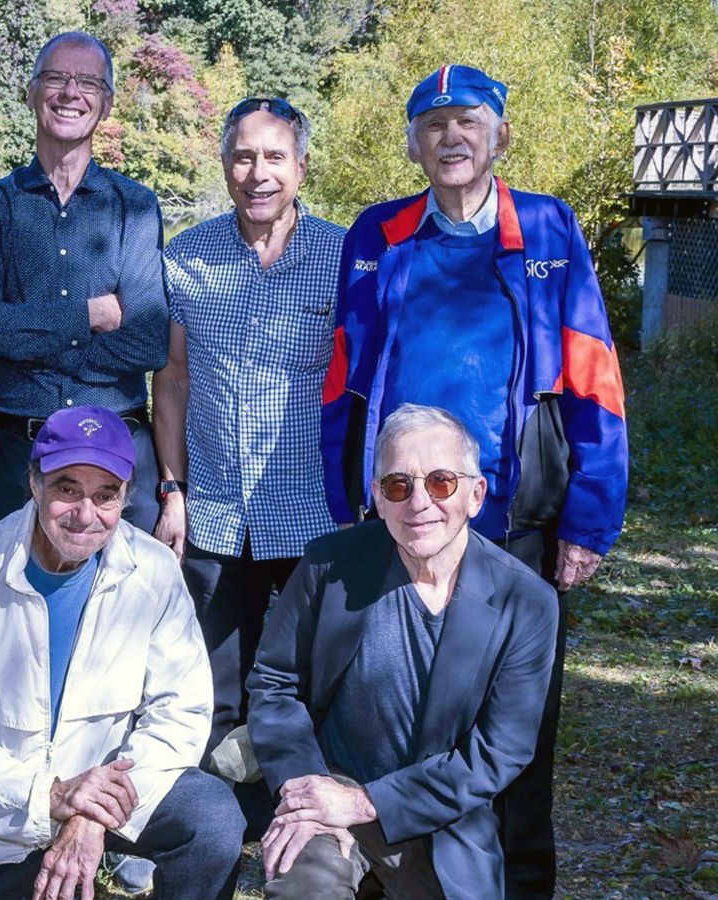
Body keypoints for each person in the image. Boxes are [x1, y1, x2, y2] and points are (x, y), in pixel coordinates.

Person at [321, 64, 629, 897]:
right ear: (414, 142)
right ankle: (400, 876)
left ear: (501, 136)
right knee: (392, 712)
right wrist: (343, 501)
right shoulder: (377, 235)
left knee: (518, 733)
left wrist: (588, 519)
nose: (451, 137)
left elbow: (594, 380)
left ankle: (521, 882)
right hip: (402, 515)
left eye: (469, 122)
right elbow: (344, 379)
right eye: (433, 124)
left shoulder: (548, 228)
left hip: (513, 526)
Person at [0, 404, 243, 900]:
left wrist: (90, 813)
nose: (86, 516)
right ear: (35, 485)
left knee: (209, 819)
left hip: (107, 795)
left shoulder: (153, 572)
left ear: (126, 498)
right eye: (67, 490)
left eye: (106, 496)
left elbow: (180, 711)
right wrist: (52, 795)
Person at [250, 404, 559, 899]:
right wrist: (305, 791)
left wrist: (368, 803)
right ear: (377, 496)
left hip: (439, 819)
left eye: (440, 482)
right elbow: (274, 681)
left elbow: (500, 751)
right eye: (398, 485)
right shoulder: (329, 565)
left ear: (476, 495)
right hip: (327, 791)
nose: (418, 502)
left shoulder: (525, 601)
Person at [153, 96, 345, 753]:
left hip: (313, 512)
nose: (257, 172)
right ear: (225, 163)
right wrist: (172, 490)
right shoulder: (187, 256)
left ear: (301, 165)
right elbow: (172, 378)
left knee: (313, 684)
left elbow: (359, 385)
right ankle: (214, 834)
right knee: (211, 692)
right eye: (243, 156)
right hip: (213, 512)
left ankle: (312, 826)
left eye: (274, 156)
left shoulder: (344, 258)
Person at [0, 31, 169, 530]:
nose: (71, 93)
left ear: (107, 104)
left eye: (88, 82)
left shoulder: (134, 206)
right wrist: (89, 316)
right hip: (17, 456)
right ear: (32, 93)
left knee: (121, 606)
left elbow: (148, 342)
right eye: (55, 78)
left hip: (119, 451)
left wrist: (20, 335)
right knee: (10, 605)